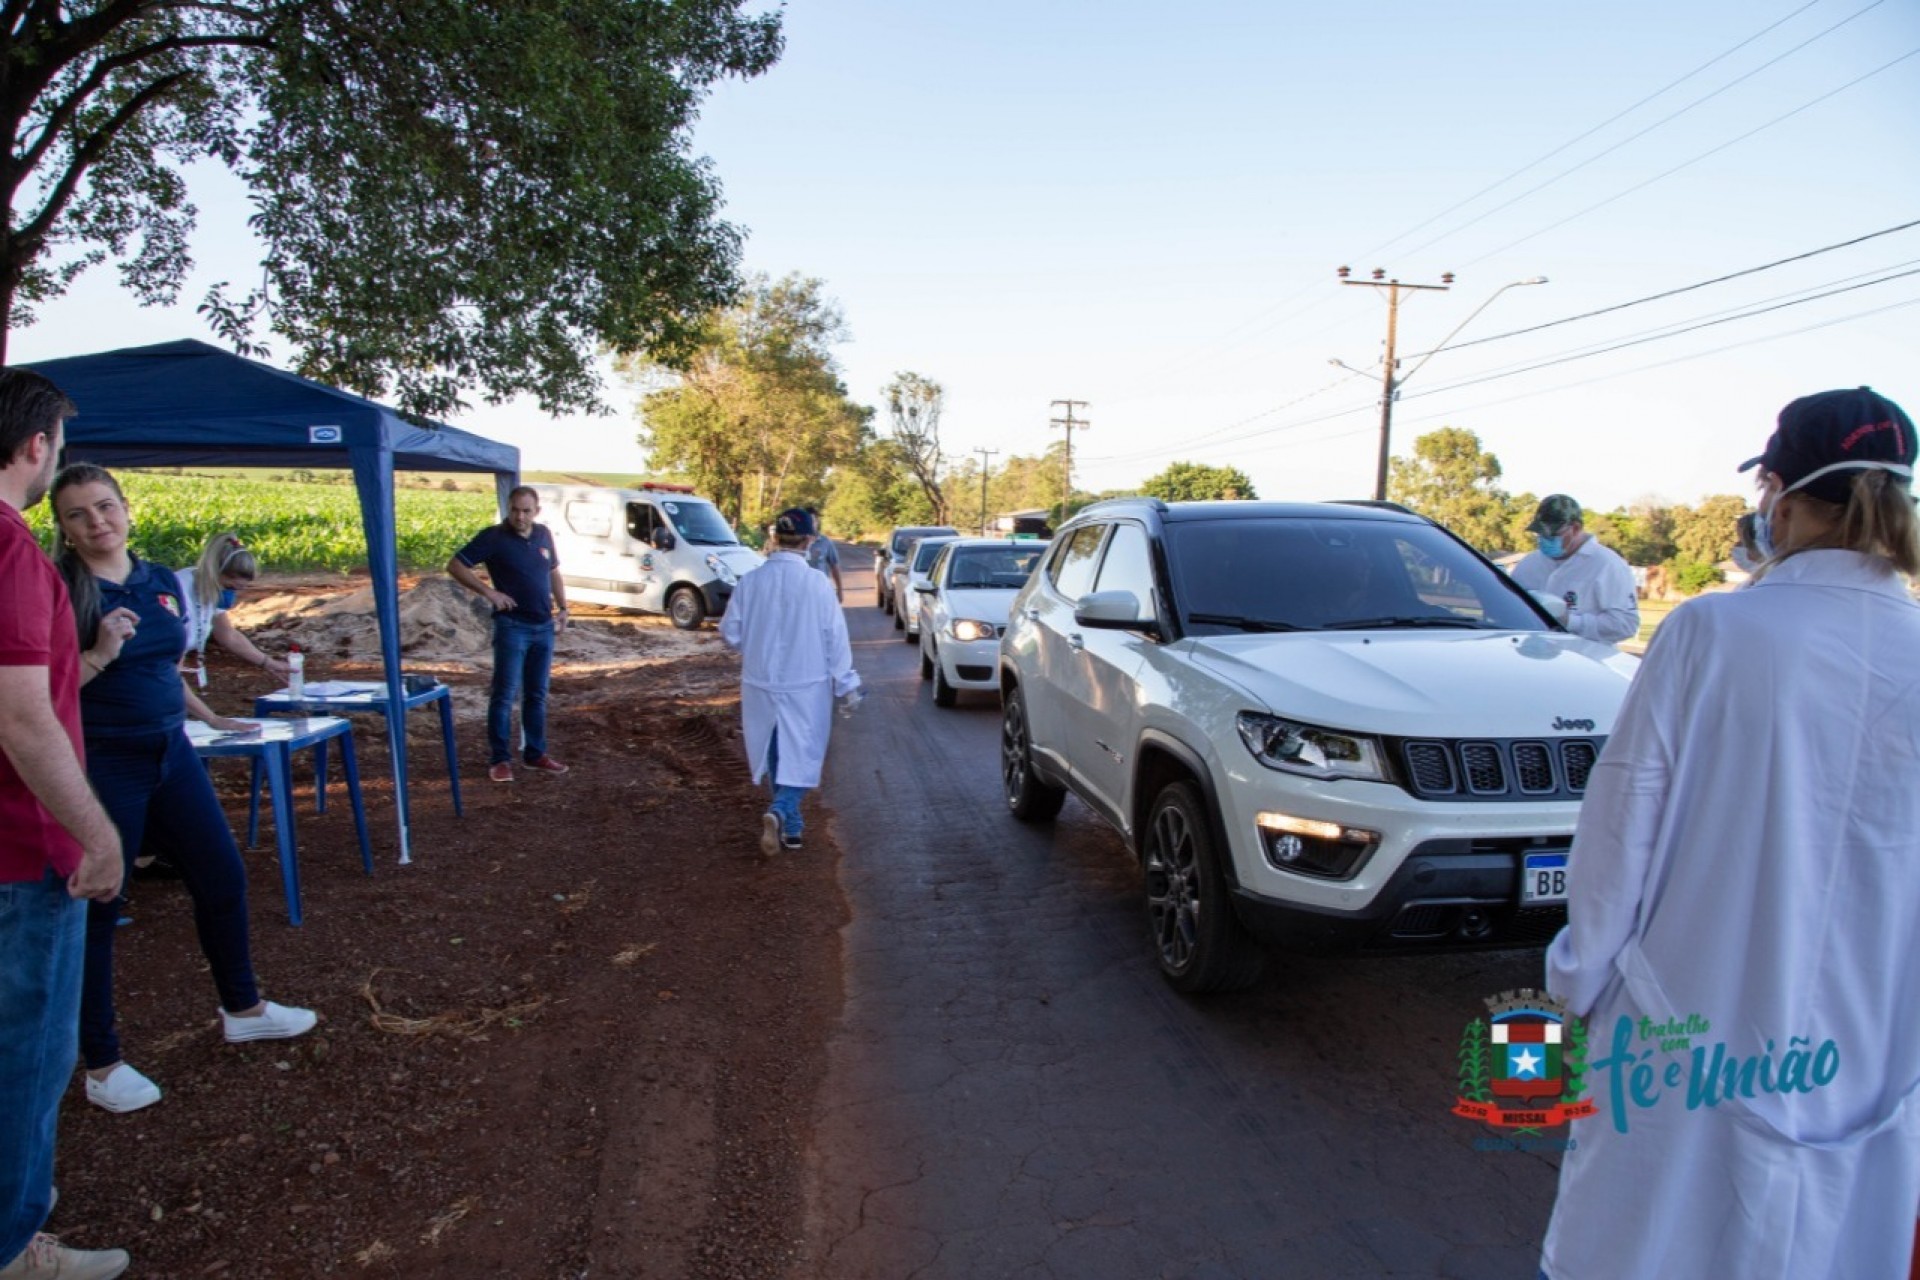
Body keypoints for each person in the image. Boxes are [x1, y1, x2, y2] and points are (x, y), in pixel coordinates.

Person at [1538, 387, 1920, 1280]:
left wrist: (1580, 978)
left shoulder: (1714, 630)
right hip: (1874, 1049)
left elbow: (1621, 825)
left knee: (1650, 1245)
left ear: (1781, 497)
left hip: (1688, 1023)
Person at [50, 464, 317, 1117]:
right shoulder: (64, 589)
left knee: (221, 876)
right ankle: (102, 1062)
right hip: (103, 761)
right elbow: (41, 691)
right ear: (63, 529)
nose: (97, 522)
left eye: (105, 506)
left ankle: (243, 1007)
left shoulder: (157, 582)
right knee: (100, 908)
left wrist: (208, 718)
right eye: (78, 514)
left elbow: (167, 671)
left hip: (171, 750)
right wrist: (98, 655)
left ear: (127, 509)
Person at [0, 375, 130, 1278]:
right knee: (28, 1058)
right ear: (39, 446)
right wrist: (98, 834)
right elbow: (20, 715)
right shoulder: (11, 550)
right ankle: (15, 1246)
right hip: (24, 845)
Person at [720, 508, 861, 856]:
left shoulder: (750, 582)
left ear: (774, 539)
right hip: (807, 683)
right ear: (811, 541)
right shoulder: (817, 584)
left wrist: (757, 643)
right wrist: (846, 683)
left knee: (774, 750)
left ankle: (792, 827)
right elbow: (835, 638)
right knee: (805, 754)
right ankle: (781, 811)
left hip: (760, 683)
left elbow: (730, 633)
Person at [447, 486, 570, 783]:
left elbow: (553, 571)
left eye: (526, 510)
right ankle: (500, 758)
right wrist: (490, 592)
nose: (520, 516)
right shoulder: (493, 537)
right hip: (512, 626)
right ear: (508, 508)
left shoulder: (543, 535)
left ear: (536, 511)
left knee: (536, 694)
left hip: (543, 627)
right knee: (503, 694)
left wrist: (564, 607)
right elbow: (455, 565)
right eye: (515, 509)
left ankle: (535, 753)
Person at [1507, 494, 1639, 645]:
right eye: (1540, 534)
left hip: (1586, 660)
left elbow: (1625, 625)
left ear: (1575, 528)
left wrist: (1571, 622)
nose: (1544, 539)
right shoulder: (1529, 564)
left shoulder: (1608, 565)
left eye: (1552, 535)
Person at [176, 531, 291, 691]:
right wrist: (212, 717)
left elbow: (228, 635)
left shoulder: (207, 589)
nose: (230, 595)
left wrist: (268, 663)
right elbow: (170, 674)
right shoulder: (178, 592)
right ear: (214, 573)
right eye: (229, 588)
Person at [803, 506, 844, 602]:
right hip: (801, 592)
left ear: (817, 522)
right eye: (807, 521)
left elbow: (834, 566)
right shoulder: (796, 543)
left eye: (813, 521)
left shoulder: (825, 542)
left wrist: (840, 590)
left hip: (821, 591)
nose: (811, 524)